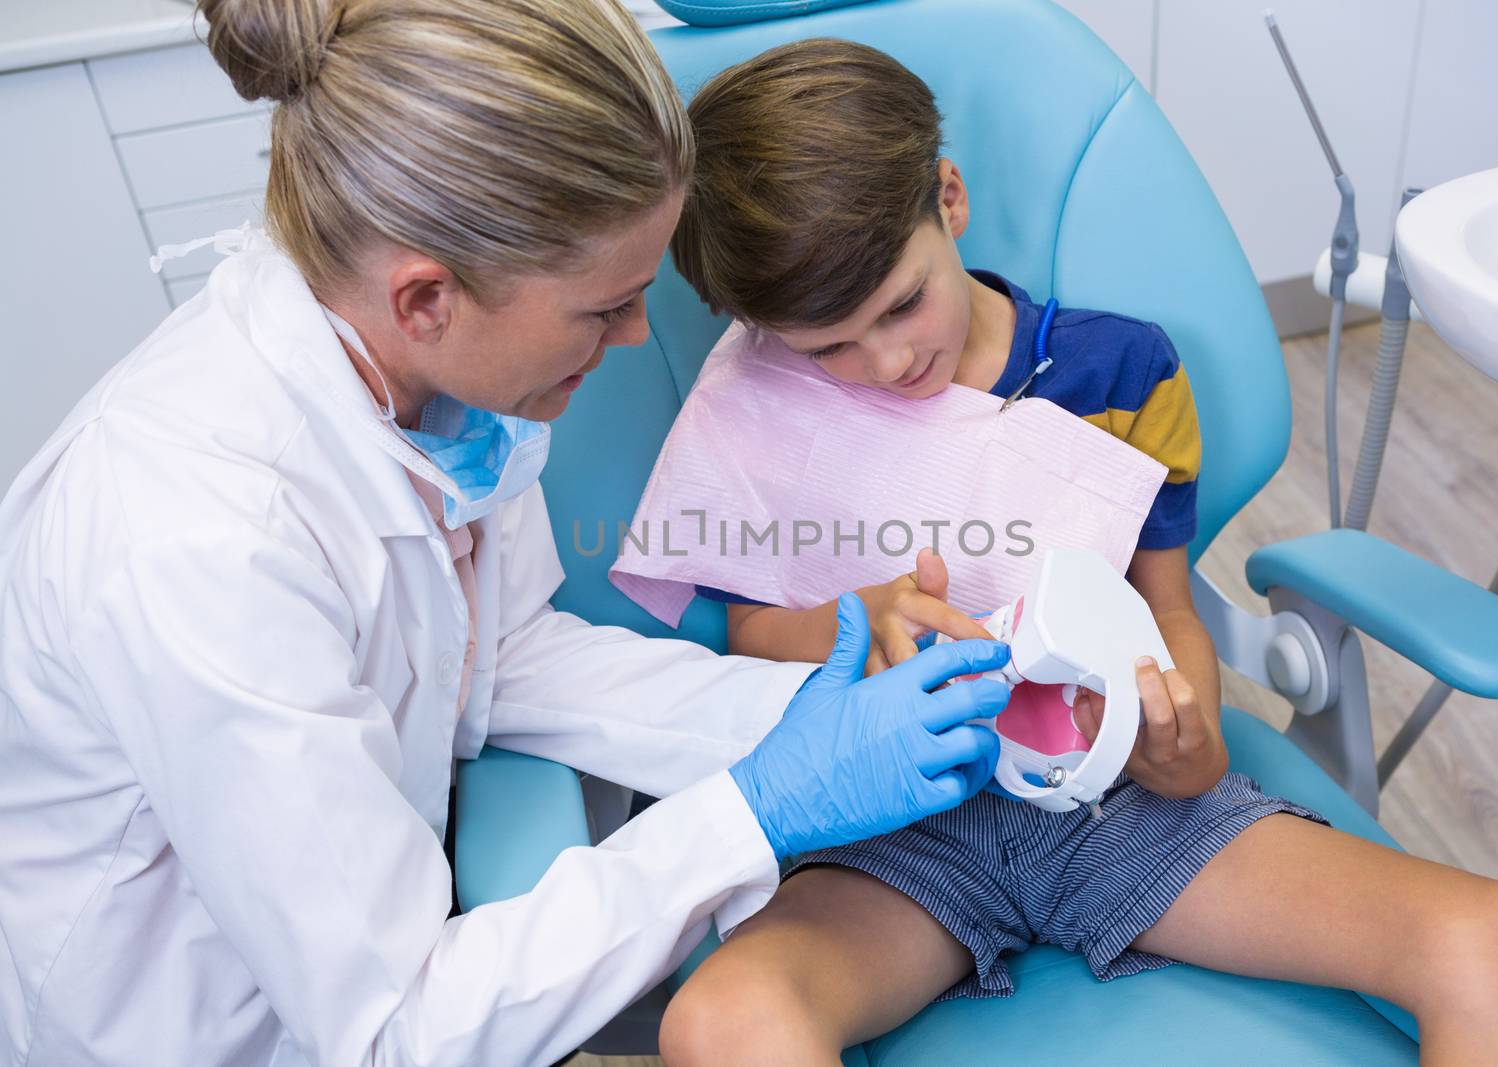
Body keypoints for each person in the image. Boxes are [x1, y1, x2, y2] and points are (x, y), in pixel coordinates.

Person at [0, 6, 1012, 1065]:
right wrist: (756, 809)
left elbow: (505, 658)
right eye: (605, 307)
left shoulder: (435, 386)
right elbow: (396, 1025)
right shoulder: (196, 543)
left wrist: (811, 711)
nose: (632, 339)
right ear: (427, 297)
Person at [654, 39, 1498, 1065]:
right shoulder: (762, 401)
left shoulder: (1118, 371)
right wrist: (866, 620)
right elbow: (752, 632)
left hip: (1114, 801)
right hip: (892, 818)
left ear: (947, 198)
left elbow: (1165, 603)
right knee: (724, 1017)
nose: (887, 361)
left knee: (1491, 935)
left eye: (902, 304)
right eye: (829, 347)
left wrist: (1190, 737)